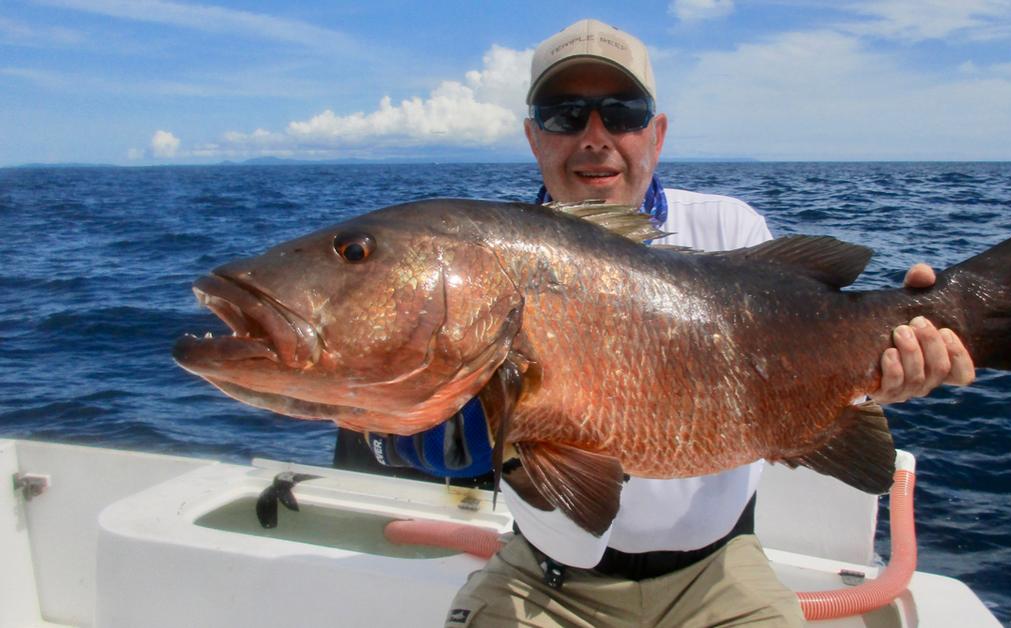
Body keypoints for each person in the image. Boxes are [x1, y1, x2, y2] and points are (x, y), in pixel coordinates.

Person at [336, 19, 975, 626]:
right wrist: (409, 435)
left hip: (719, 573)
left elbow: (805, 358)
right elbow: (398, 426)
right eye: (565, 114)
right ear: (534, 137)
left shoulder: (732, 231)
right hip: (547, 577)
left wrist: (884, 371)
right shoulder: (487, 264)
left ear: (657, 133)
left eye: (622, 113)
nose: (595, 135)